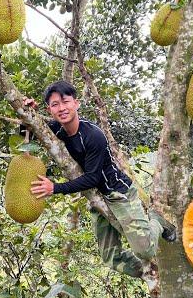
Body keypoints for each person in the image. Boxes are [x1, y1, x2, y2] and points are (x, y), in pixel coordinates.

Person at [24, 80, 176, 279]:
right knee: (110, 257)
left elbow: (93, 178)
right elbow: (28, 134)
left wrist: (55, 188)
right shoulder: (58, 130)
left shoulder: (93, 135)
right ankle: (151, 273)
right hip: (98, 198)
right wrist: (29, 113)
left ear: (76, 103)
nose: (61, 108)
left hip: (118, 193)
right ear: (49, 109)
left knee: (145, 251)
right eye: (55, 104)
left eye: (65, 102)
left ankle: (157, 221)